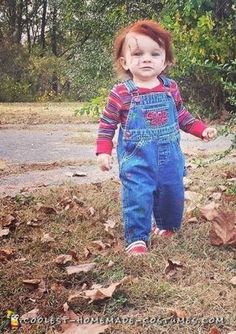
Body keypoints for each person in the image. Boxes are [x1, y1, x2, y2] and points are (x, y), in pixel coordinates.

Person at [96, 20, 217, 256]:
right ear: (125, 62)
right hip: (137, 159)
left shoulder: (170, 88)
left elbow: (182, 115)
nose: (146, 59)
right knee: (138, 195)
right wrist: (103, 150)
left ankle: (167, 226)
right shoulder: (121, 92)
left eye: (154, 53)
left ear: (165, 61)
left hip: (170, 158)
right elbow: (107, 123)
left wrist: (201, 129)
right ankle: (137, 239)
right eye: (138, 54)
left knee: (173, 192)